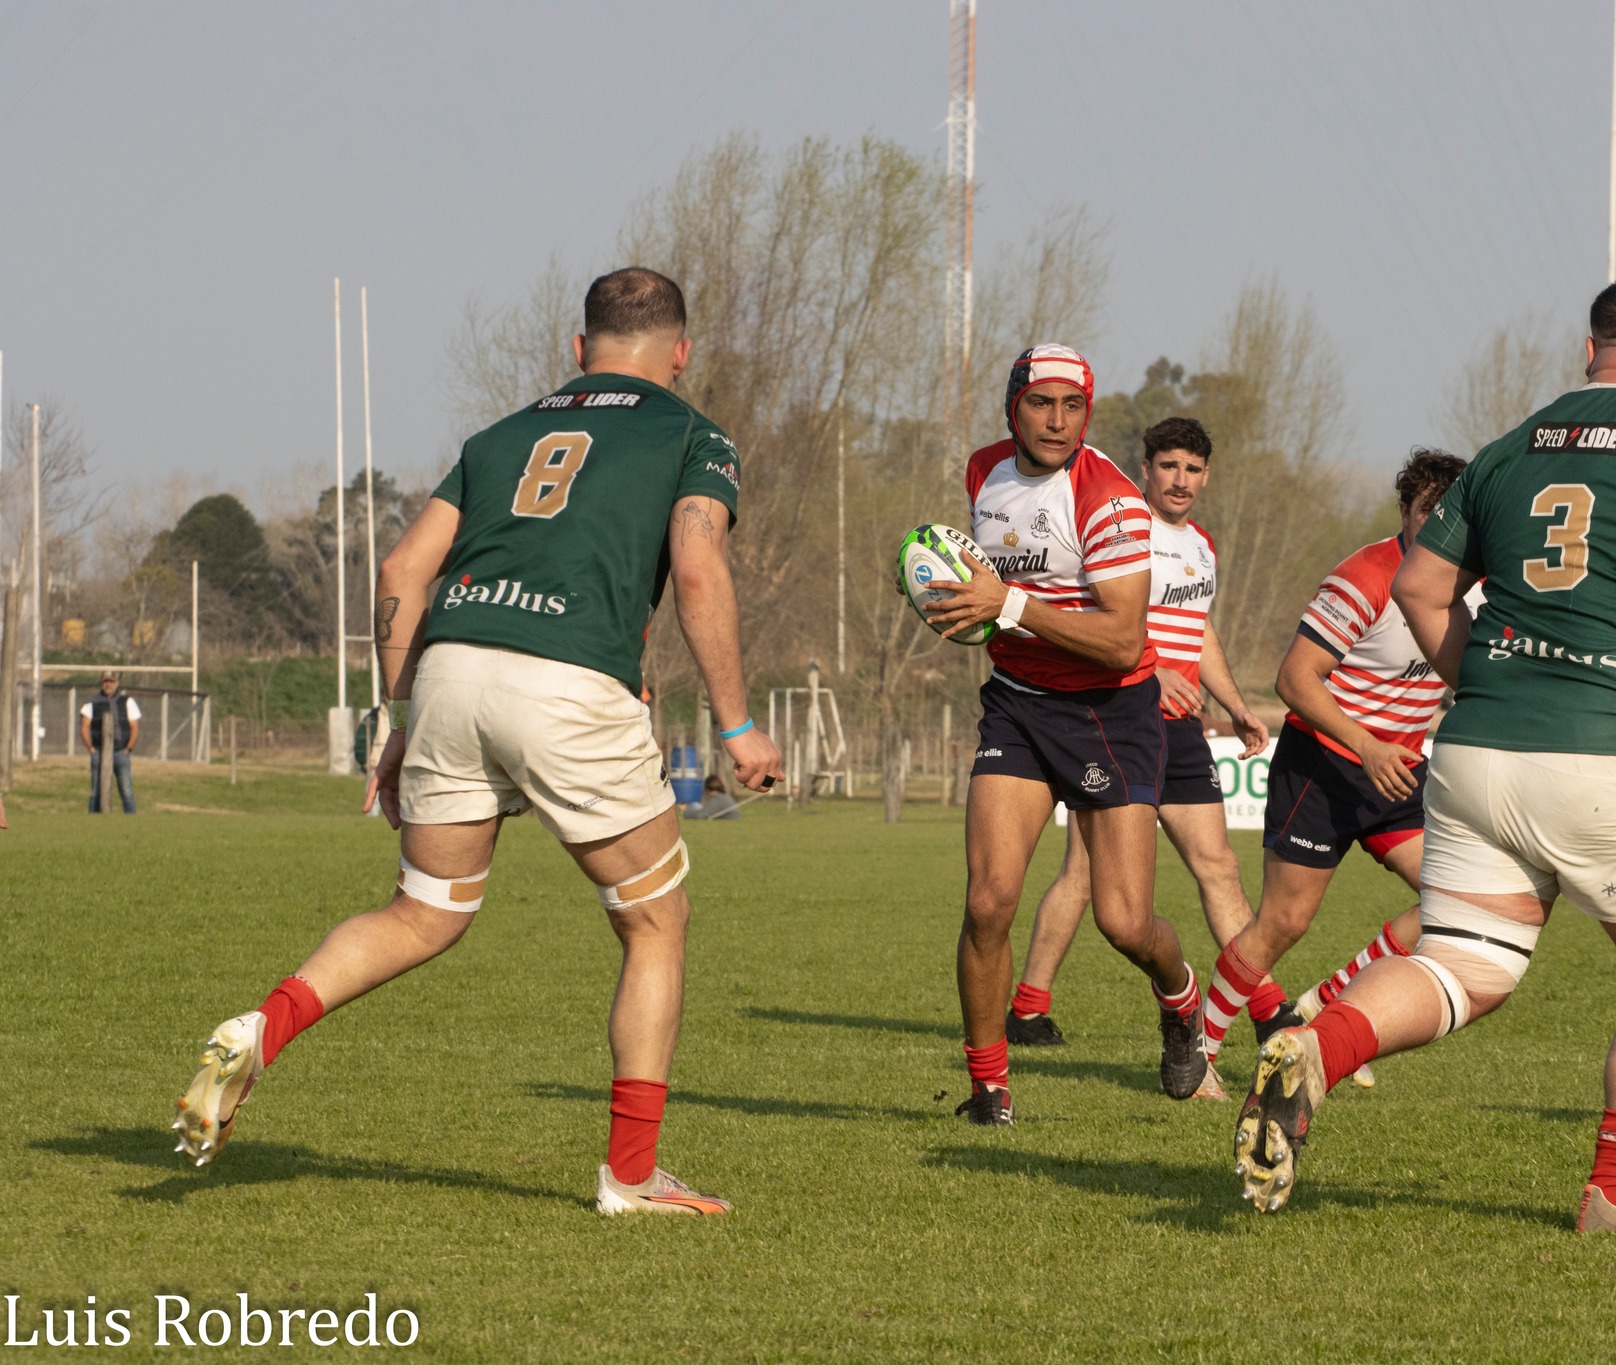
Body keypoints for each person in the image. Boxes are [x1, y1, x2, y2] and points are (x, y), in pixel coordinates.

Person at [1232, 277, 1616, 1232]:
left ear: (1589, 352)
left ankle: (1320, 1048)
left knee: (1465, 961)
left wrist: (1474, 679)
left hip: (1479, 750)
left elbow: (1421, 585)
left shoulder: (1508, 448)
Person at [173, 268, 783, 1216]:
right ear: (681, 351)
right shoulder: (693, 435)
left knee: (425, 911)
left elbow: (403, 567)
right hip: (571, 682)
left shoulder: (500, 436)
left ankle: (265, 1023)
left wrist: (396, 714)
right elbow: (698, 568)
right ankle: (630, 1177)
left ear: (577, 351)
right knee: (654, 922)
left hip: (453, 668)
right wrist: (738, 723)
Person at [922, 344, 1208, 1126]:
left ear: (1088, 410)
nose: (1056, 421)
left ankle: (1180, 998)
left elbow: (1121, 642)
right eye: (1040, 403)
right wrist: (952, 602)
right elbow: (985, 586)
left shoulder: (1110, 499)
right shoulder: (984, 471)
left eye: (1072, 406)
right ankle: (989, 1092)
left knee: (1123, 920)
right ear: (1012, 405)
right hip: (1016, 703)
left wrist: (1003, 604)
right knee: (988, 901)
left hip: (1109, 713)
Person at [1000, 416, 1270, 1103]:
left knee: (1209, 866)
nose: (1181, 479)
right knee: (1091, 877)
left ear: (1207, 477)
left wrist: (1233, 701)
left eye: (1194, 468)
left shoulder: (1201, 547)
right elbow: (1108, 617)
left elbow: (1197, 628)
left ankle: (1269, 1015)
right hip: (1120, 712)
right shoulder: (1123, 526)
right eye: (1169, 465)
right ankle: (1031, 1006)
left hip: (1178, 728)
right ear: (1145, 467)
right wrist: (1154, 676)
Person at [1196, 449, 1473, 1086]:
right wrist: (1368, 747)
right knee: (1282, 924)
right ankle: (1198, 1048)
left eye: (1451, 513)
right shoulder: (1365, 577)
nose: (1439, 525)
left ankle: (1321, 1008)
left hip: (1397, 774)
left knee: (1452, 897)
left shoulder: (1476, 585)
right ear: (1404, 511)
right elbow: (1294, 678)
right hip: (1323, 766)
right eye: (1427, 511)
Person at [80, 670, 141, 814]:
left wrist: (129, 748)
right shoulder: (92, 703)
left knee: (126, 791)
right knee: (96, 792)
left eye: (111, 681)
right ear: (101, 683)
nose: (108, 684)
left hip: (120, 752)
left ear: (117, 683)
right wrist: (91, 749)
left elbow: (134, 726)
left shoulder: (127, 701)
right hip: (99, 751)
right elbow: (84, 727)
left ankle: (132, 821)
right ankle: (94, 822)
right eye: (105, 681)